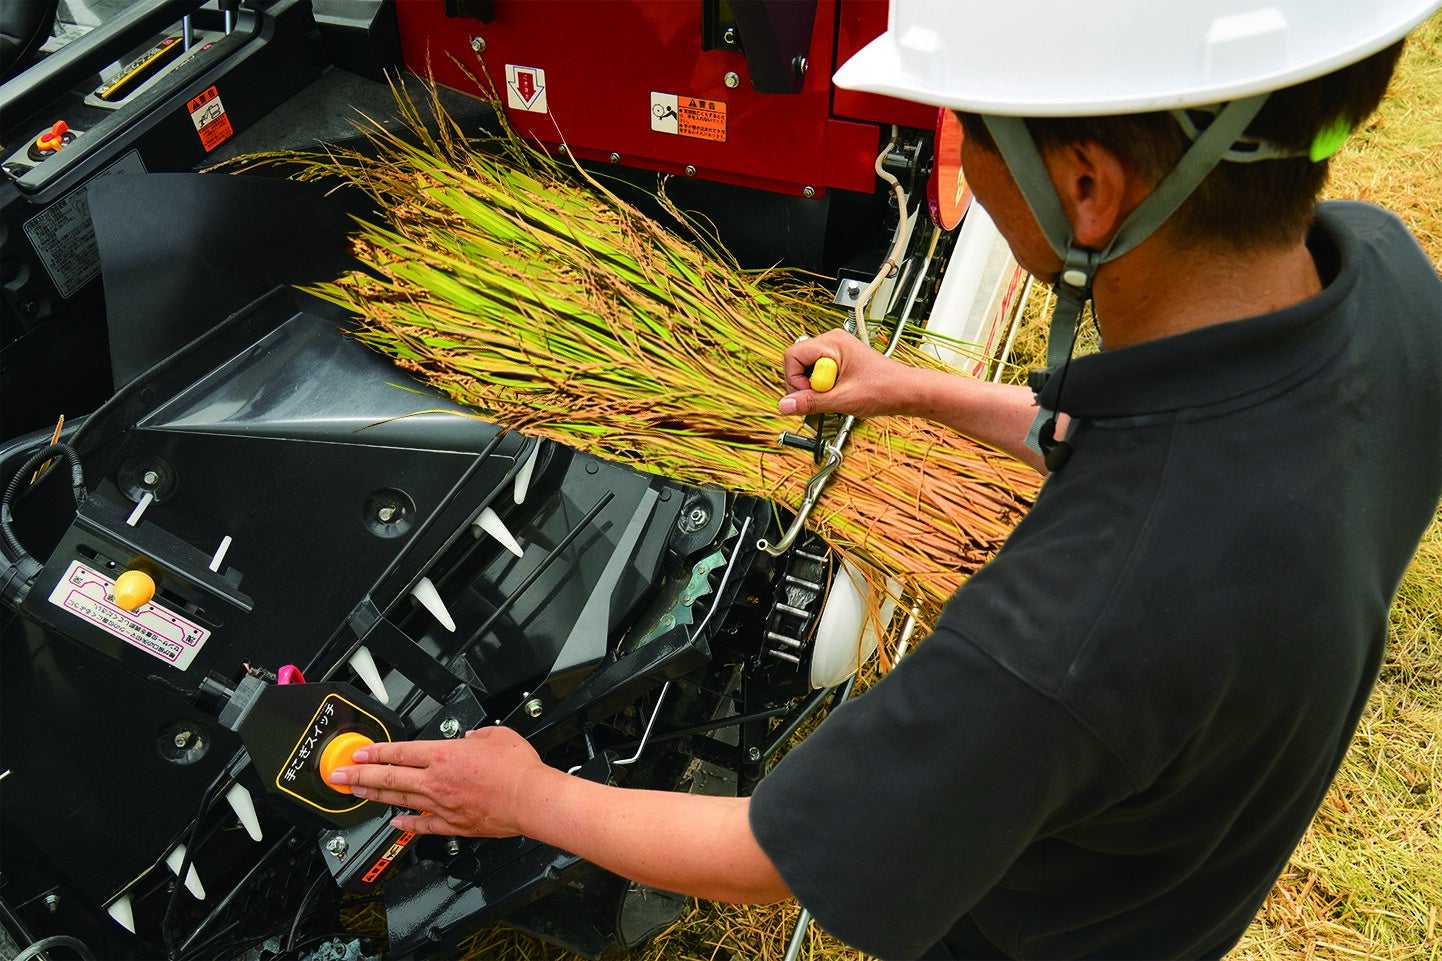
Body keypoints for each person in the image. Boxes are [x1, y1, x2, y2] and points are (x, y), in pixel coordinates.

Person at [329, 2, 1442, 957]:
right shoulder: (1384, 280)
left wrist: (528, 795)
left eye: (972, 129)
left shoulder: (1069, 628)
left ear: (1085, 185)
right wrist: (914, 389)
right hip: (1187, 853)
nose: (965, 162)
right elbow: (1129, 438)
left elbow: (778, 852)